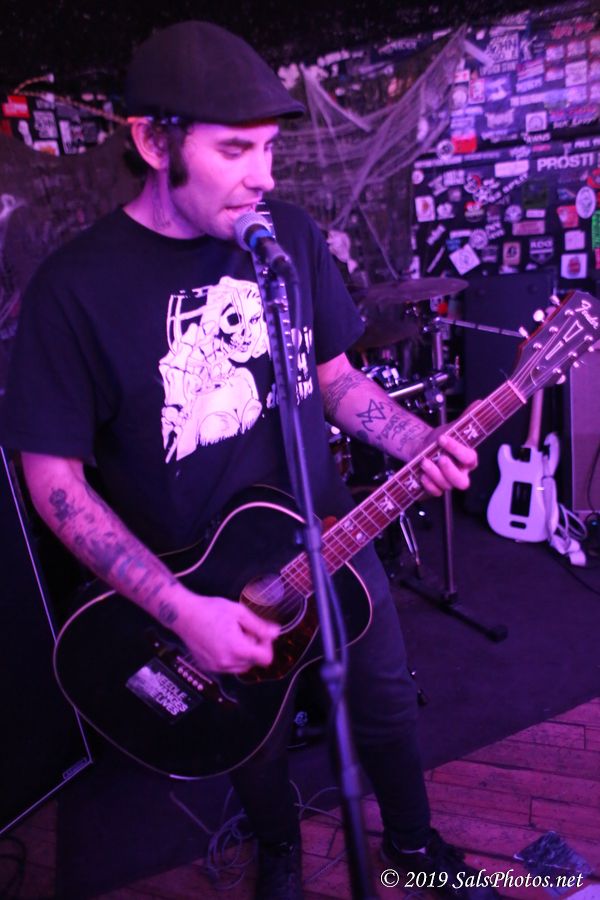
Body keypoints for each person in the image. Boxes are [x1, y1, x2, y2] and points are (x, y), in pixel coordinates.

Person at [0, 21, 496, 900]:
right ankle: (279, 853)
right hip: (197, 581)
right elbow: (54, 481)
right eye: (235, 149)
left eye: (268, 148)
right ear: (154, 143)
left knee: (385, 703)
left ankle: (414, 849)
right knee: (249, 741)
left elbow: (335, 381)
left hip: (330, 539)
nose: (263, 174)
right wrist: (179, 608)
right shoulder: (72, 289)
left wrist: (418, 440)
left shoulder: (289, 237)